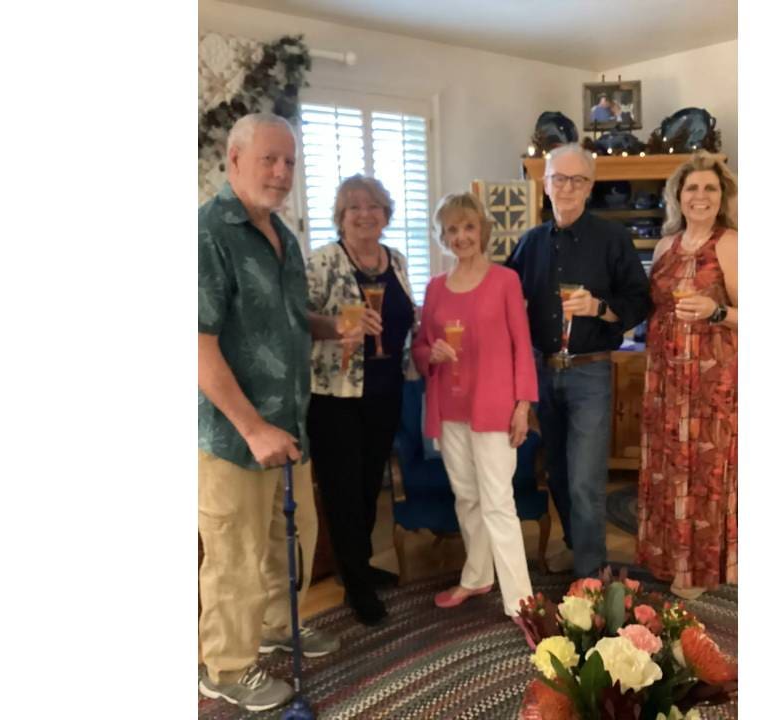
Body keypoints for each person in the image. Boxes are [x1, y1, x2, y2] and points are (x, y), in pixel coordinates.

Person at [198, 113, 340, 712]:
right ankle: (226, 666)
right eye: (269, 160)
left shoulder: (282, 233)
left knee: (291, 539)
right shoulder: (208, 233)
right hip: (235, 437)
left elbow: (282, 318)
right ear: (234, 160)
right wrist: (252, 427)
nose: (282, 173)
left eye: (289, 162)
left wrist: (328, 328)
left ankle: (280, 624)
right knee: (234, 554)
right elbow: (195, 341)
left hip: (290, 427)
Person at [506, 143, 651, 579]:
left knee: (586, 481)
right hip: (542, 372)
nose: (567, 187)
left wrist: (600, 308)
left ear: (590, 186)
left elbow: (639, 300)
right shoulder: (530, 243)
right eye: (559, 179)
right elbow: (504, 298)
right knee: (557, 474)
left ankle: (591, 578)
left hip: (590, 371)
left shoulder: (613, 238)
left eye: (577, 180)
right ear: (545, 184)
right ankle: (577, 547)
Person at [412, 193, 537, 616]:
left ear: (482, 230)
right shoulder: (434, 287)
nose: (461, 236)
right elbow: (421, 346)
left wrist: (523, 405)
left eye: (468, 227)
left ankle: (521, 602)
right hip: (449, 408)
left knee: (498, 503)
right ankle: (477, 576)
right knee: (466, 497)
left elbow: (522, 346)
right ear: (442, 236)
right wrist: (431, 353)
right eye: (452, 229)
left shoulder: (505, 280)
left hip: (494, 407)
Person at [305, 175, 417, 625]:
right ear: (340, 216)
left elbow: (407, 316)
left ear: (386, 214)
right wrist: (336, 327)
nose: (365, 214)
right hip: (336, 397)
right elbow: (295, 316)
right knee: (343, 490)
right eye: (354, 207)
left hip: (386, 390)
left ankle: (360, 564)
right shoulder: (323, 261)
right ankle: (355, 584)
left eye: (373, 207)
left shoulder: (397, 260)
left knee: (371, 485)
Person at [636, 151, 738, 600]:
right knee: (668, 469)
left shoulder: (730, 244)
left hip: (712, 379)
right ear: (678, 196)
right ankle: (670, 560)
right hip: (665, 379)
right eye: (692, 187)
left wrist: (716, 310)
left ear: (722, 196)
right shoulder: (664, 246)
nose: (701, 195)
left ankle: (699, 569)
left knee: (705, 472)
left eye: (710, 188)